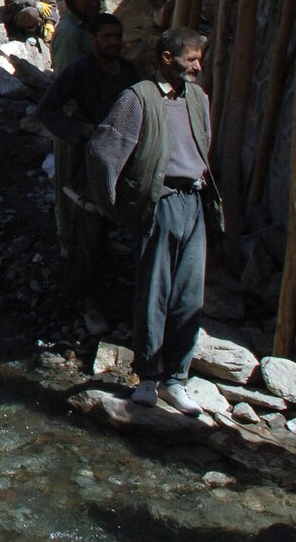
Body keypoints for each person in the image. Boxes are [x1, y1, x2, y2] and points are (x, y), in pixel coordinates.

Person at [85, 26, 217, 415]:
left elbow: (203, 142)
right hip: (161, 205)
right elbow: (103, 151)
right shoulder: (138, 98)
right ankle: (147, 378)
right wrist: (117, 207)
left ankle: (176, 379)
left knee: (189, 295)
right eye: (191, 59)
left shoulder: (197, 98)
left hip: (193, 202)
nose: (197, 66)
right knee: (154, 294)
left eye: (198, 59)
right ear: (167, 58)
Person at [33, 13, 141, 334]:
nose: (113, 42)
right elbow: (47, 110)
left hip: (127, 163)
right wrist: (79, 130)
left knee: (118, 231)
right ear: (93, 40)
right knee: (88, 236)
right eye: (106, 37)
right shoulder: (80, 71)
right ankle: (85, 301)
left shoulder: (130, 71)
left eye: (116, 36)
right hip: (92, 162)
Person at [49, 0, 106, 75]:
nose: (94, 3)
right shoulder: (68, 32)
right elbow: (66, 78)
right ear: (73, 1)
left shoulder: (89, 25)